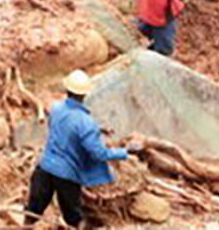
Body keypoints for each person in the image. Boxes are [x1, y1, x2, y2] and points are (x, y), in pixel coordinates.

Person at [24, 70, 137, 228]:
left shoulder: (56, 109)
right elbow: (98, 153)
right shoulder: (85, 122)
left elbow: (65, 127)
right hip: (66, 176)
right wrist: (124, 152)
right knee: (74, 218)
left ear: (67, 90)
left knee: (32, 212)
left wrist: (98, 130)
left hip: (44, 168)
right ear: (85, 95)